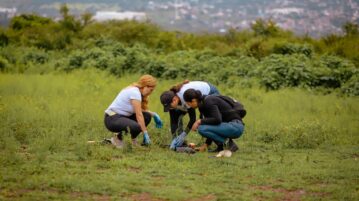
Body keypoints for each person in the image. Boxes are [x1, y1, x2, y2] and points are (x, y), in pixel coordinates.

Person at [104, 75, 163, 148]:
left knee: (147, 116)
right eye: (150, 90)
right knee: (136, 127)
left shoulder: (137, 92)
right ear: (145, 86)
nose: (151, 92)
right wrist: (145, 133)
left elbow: (139, 110)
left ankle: (128, 140)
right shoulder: (134, 92)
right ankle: (117, 140)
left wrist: (153, 114)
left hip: (121, 117)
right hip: (111, 118)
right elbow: (139, 114)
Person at [160, 80, 220, 149]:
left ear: (174, 99)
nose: (170, 108)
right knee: (176, 113)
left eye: (169, 106)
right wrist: (174, 138)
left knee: (207, 118)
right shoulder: (171, 97)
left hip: (210, 91)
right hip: (195, 97)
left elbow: (192, 119)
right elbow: (173, 120)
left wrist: (184, 134)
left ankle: (214, 144)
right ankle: (181, 142)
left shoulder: (185, 96)